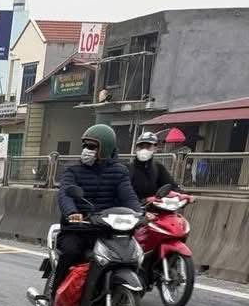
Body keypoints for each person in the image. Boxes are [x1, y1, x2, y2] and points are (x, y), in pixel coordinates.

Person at [50, 123, 139, 296]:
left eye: (91, 147)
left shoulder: (120, 172)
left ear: (105, 148)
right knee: (71, 252)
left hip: (107, 230)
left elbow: (129, 196)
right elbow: (65, 194)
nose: (86, 150)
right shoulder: (72, 170)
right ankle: (55, 296)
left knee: (131, 255)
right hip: (78, 228)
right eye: (85, 146)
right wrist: (72, 213)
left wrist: (139, 214)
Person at [128, 131, 176, 204]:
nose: (144, 150)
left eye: (148, 147)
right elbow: (123, 195)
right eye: (141, 146)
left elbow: (171, 185)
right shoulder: (128, 169)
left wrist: (181, 195)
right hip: (134, 208)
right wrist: (145, 200)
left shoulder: (158, 167)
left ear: (155, 149)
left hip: (155, 208)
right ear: (136, 149)